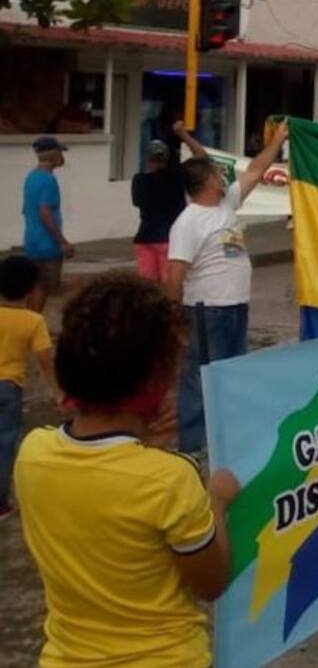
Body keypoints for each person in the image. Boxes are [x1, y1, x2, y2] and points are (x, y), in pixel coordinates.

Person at [14, 273, 239, 664]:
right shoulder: (171, 478)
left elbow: (103, 487)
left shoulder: (32, 453)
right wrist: (215, 500)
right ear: (158, 378)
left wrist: (144, 446)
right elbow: (210, 582)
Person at [167, 120, 290, 455]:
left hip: (235, 305)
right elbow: (175, 273)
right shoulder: (188, 222)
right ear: (206, 182)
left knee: (230, 374)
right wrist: (175, 315)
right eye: (217, 174)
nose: (224, 176)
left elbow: (256, 169)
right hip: (208, 311)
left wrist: (278, 140)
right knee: (201, 377)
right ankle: (193, 447)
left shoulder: (227, 203)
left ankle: (224, 440)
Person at [0, 256, 55, 520]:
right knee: (4, 444)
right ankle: (1, 503)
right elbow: (45, 361)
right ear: (32, 289)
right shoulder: (33, 321)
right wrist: (58, 392)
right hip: (9, 387)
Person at [131, 122, 207, 284]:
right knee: (171, 285)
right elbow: (202, 157)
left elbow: (137, 203)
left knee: (147, 288)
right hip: (171, 238)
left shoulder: (139, 180)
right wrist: (182, 134)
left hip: (145, 237)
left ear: (148, 158)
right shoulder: (176, 176)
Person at [22, 136, 74, 313]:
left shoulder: (31, 177)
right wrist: (62, 242)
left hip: (31, 241)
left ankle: (29, 320)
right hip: (47, 245)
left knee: (33, 285)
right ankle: (33, 324)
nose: (62, 156)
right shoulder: (48, 180)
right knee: (43, 287)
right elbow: (45, 212)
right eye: (60, 152)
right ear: (54, 155)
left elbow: (25, 209)